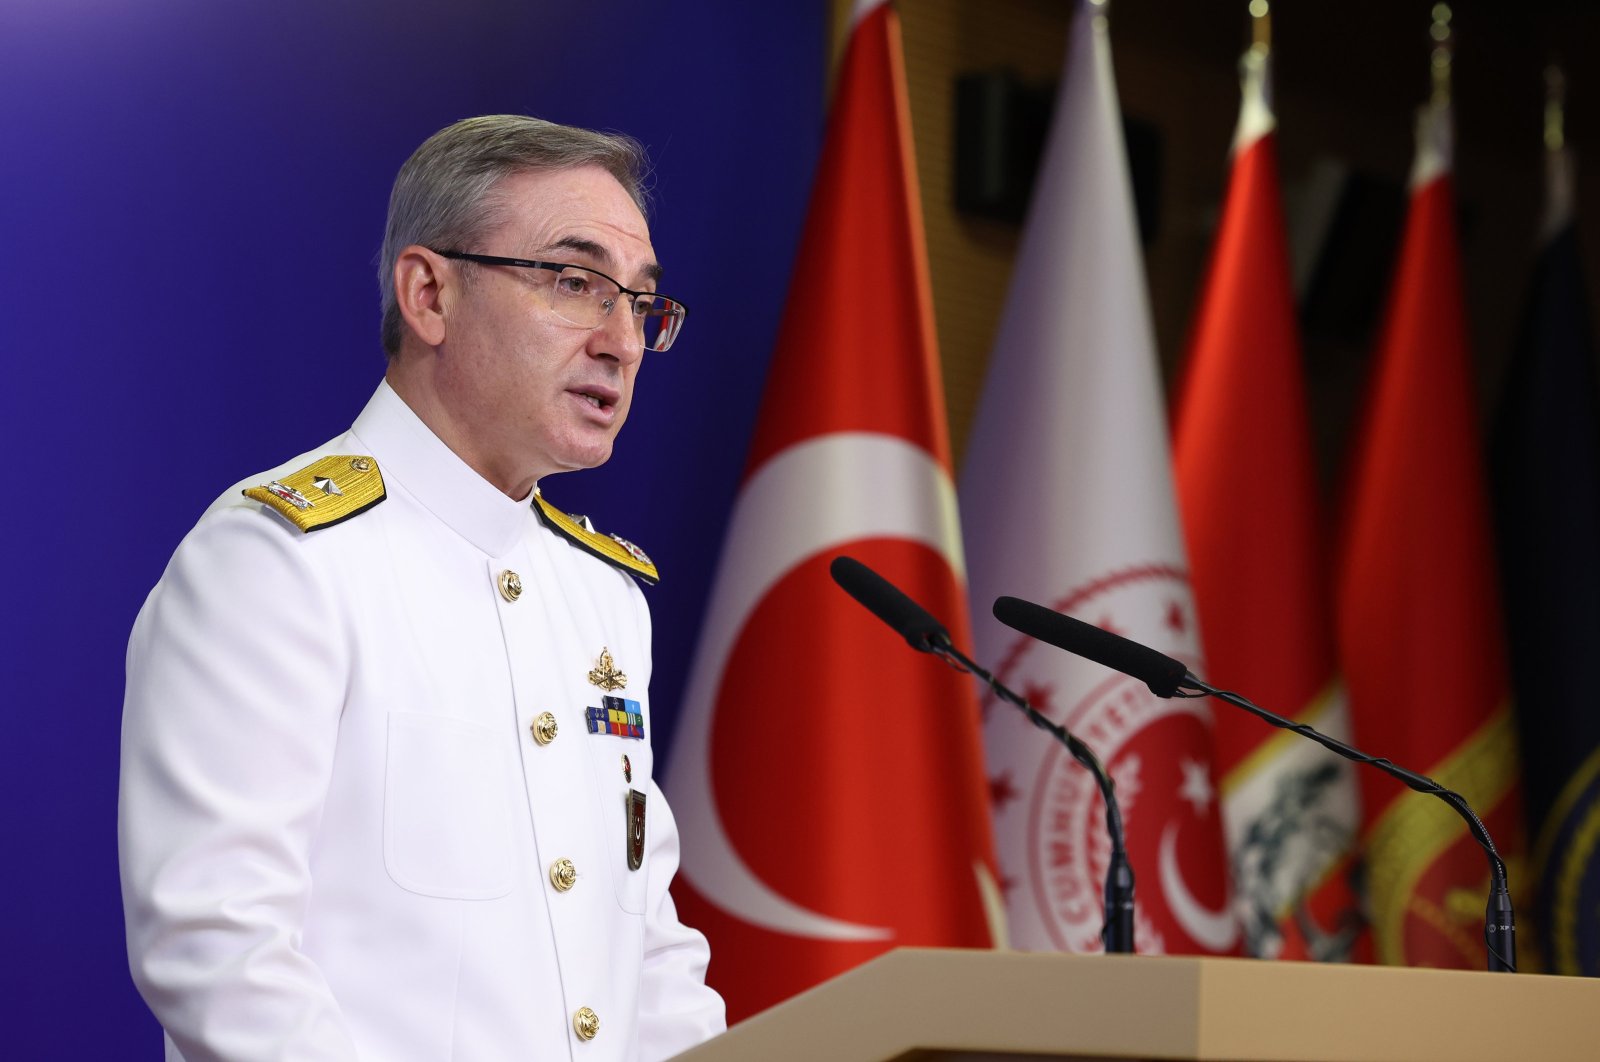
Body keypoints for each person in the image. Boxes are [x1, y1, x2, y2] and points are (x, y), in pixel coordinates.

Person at [118, 115, 726, 1061]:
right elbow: (217, 947)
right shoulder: (280, 560)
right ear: (430, 293)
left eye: (642, 304)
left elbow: (647, 953)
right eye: (576, 283)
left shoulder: (606, 599)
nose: (622, 341)